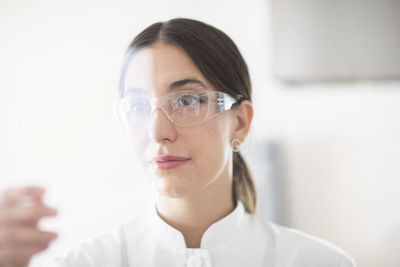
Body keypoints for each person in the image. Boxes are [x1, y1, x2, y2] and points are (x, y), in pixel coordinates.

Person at [0, 18, 356, 267]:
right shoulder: (87, 263)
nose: (157, 132)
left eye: (186, 101)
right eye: (138, 106)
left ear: (241, 121)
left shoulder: (321, 263)